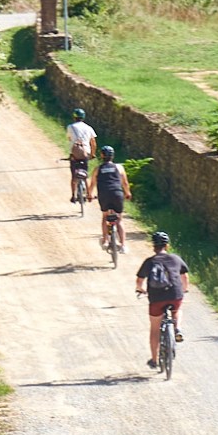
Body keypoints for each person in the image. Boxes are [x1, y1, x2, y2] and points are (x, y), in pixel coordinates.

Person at [134, 231, 190, 368]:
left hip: (156, 298)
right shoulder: (176, 259)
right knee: (177, 309)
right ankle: (177, 329)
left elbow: (139, 281)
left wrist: (140, 289)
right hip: (175, 294)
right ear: (167, 245)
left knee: (155, 329)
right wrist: (184, 289)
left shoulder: (150, 262)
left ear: (153, 246)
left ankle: (154, 360)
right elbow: (185, 277)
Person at [93, 145, 131, 252]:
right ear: (113, 156)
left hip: (104, 195)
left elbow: (92, 184)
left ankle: (105, 241)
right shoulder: (119, 167)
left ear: (102, 155)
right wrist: (127, 193)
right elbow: (125, 183)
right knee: (119, 219)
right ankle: (123, 245)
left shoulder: (98, 169)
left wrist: (90, 194)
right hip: (117, 194)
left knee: (105, 217)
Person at [65, 109, 97, 203]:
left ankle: (73, 196)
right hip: (85, 153)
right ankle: (88, 194)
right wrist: (92, 154)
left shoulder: (70, 127)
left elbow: (69, 138)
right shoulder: (89, 128)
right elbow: (93, 143)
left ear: (74, 117)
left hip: (74, 154)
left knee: (74, 176)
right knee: (85, 175)